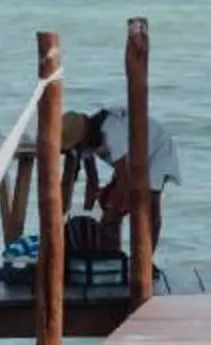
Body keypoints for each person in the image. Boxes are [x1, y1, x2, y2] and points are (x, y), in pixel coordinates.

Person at [63, 105, 180, 257]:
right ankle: (112, 255)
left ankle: (146, 261)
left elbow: (125, 179)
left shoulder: (112, 133)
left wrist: (113, 210)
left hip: (155, 149)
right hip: (129, 159)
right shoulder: (85, 143)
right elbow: (92, 181)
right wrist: (89, 214)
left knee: (149, 205)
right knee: (108, 203)